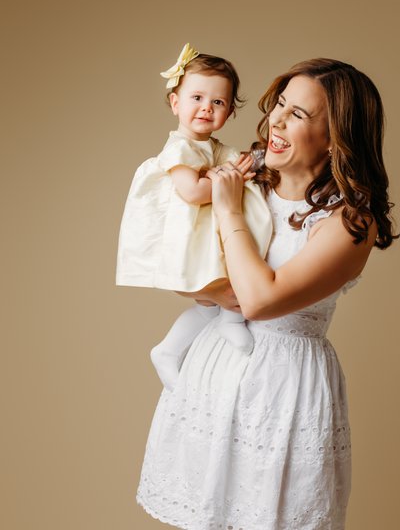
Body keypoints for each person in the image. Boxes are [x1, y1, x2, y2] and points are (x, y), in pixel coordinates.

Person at [136, 58, 398, 529]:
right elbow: (180, 259)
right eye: (280, 104)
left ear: (336, 136)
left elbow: (259, 299)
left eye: (298, 114)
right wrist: (209, 289)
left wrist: (227, 208)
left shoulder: (349, 223)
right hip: (215, 364)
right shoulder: (247, 174)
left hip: (286, 389)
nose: (275, 120)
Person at [116, 44, 272, 390]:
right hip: (188, 237)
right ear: (176, 103)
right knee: (218, 292)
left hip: (207, 235)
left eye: (218, 102)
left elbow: (242, 161)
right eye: (197, 97)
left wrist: (248, 164)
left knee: (215, 296)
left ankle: (170, 349)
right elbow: (192, 192)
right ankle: (226, 323)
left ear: (230, 111)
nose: (206, 108)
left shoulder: (214, 147)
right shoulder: (180, 147)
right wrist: (231, 175)